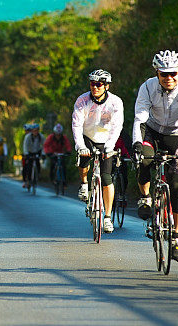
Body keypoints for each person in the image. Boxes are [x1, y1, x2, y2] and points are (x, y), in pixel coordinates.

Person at [132, 50, 178, 261]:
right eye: (164, 74)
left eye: (173, 73)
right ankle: (145, 198)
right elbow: (139, 119)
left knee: (176, 186)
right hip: (152, 132)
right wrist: (137, 144)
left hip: (177, 135)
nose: (169, 78)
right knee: (144, 159)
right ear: (156, 73)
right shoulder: (147, 87)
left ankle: (176, 238)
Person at [72, 69, 124, 234]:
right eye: (92, 84)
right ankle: (84, 184)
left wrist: (110, 146)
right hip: (87, 136)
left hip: (106, 140)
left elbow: (117, 126)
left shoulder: (115, 102)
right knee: (83, 158)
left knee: (107, 177)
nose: (95, 87)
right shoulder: (82, 100)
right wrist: (80, 145)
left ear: (106, 86)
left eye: (99, 84)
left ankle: (107, 217)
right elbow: (77, 125)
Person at [44, 123, 73, 189]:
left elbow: (68, 145)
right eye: (57, 135)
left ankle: (64, 182)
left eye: (59, 135)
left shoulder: (64, 137)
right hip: (53, 153)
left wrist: (68, 151)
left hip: (61, 153)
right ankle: (52, 179)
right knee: (53, 165)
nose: (58, 136)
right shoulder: (50, 137)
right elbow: (46, 145)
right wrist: (48, 152)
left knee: (63, 167)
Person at [22, 123, 44, 188]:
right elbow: (25, 146)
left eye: (37, 130)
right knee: (29, 166)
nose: (35, 132)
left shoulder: (41, 137)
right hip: (29, 152)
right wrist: (26, 154)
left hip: (37, 152)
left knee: (38, 164)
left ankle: (37, 175)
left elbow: (44, 146)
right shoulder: (28, 137)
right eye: (34, 130)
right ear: (32, 131)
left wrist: (43, 154)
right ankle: (28, 180)